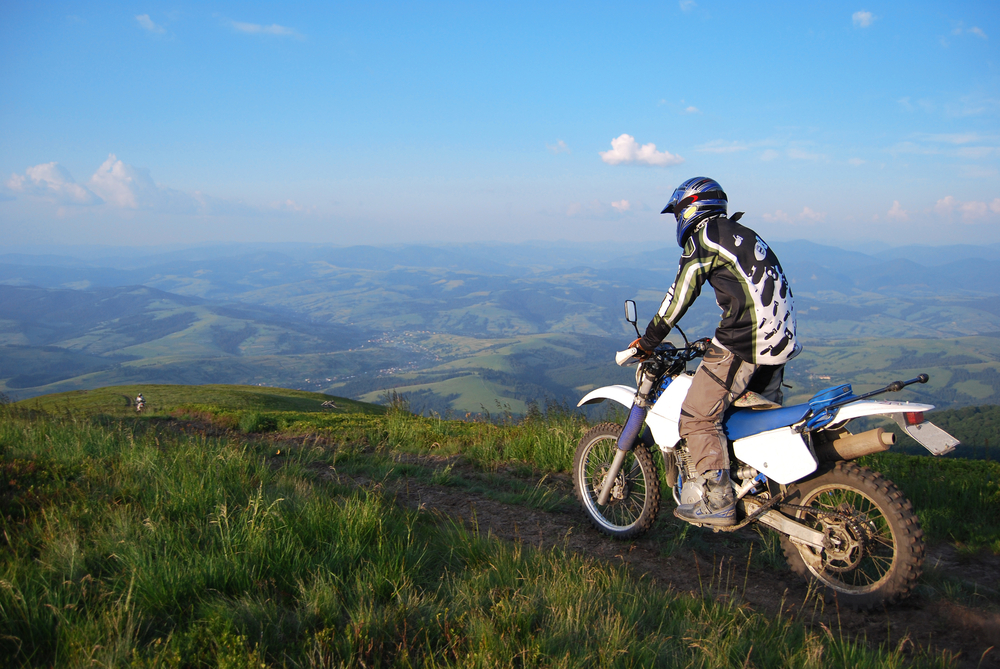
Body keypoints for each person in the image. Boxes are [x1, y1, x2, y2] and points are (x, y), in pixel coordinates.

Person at [630, 177, 800, 526]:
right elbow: (750, 291)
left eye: (677, 211)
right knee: (753, 421)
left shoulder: (703, 239)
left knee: (696, 415)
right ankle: (760, 486)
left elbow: (677, 299)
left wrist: (647, 341)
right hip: (778, 340)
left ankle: (719, 500)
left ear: (690, 207)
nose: (678, 219)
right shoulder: (741, 234)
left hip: (746, 341)